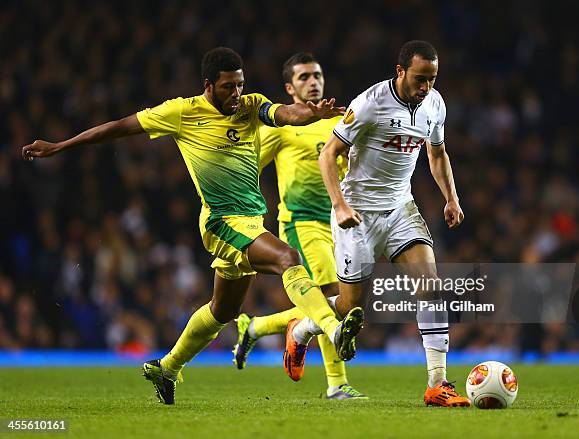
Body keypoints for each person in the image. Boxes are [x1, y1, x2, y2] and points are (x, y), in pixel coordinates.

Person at [21, 47, 365, 405]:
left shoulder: (250, 105)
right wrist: (61, 146)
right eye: (229, 87)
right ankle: (332, 328)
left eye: (240, 85)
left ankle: (166, 367)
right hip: (220, 221)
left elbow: (283, 112)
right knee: (287, 258)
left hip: (250, 222)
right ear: (208, 86)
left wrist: (308, 114)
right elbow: (119, 127)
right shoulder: (182, 112)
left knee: (223, 311)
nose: (237, 94)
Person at [290, 41, 471, 407]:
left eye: (432, 80)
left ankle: (437, 383)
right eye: (420, 79)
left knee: (431, 287)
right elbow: (328, 154)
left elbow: (437, 153)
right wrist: (339, 205)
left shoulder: (435, 105)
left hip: (400, 209)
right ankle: (303, 328)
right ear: (401, 71)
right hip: (356, 213)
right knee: (350, 306)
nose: (426, 87)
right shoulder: (369, 103)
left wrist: (451, 197)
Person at [232, 53, 366, 400]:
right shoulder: (281, 127)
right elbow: (247, 168)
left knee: (335, 299)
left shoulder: (338, 121)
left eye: (317, 75)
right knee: (330, 292)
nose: (313, 81)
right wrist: (246, 211)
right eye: (304, 77)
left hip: (338, 222)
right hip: (301, 222)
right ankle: (337, 384)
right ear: (290, 88)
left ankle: (259, 326)